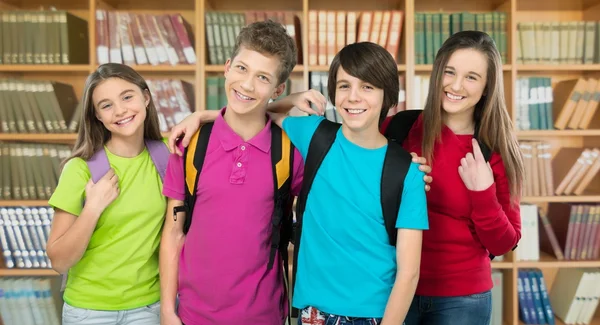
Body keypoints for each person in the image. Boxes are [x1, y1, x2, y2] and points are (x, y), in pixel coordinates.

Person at [168, 41, 430, 325]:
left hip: (376, 313)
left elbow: (409, 272)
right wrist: (205, 116)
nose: (354, 97)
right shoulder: (315, 135)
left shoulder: (407, 171)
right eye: (344, 86)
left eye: (367, 87)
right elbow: (254, 112)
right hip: (313, 312)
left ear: (388, 97)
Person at [159, 20, 324, 325]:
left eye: (263, 77)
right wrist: (168, 311)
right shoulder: (190, 144)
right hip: (193, 316)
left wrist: (403, 165)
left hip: (264, 315)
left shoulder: (290, 152)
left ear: (278, 88)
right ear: (227, 67)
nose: (247, 85)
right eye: (242, 69)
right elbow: (173, 231)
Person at [381, 30, 524, 325]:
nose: (456, 85)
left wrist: (482, 193)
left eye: (472, 77)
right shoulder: (399, 129)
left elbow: (504, 244)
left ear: (487, 87)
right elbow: (343, 163)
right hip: (393, 289)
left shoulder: (495, 149)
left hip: (462, 301)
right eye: (450, 72)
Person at [46, 63, 168, 325]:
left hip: (148, 308)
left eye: (127, 97)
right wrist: (93, 207)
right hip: (89, 311)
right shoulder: (80, 170)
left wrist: (198, 116)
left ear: (145, 98)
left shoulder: (167, 156)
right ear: (97, 116)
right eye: (106, 105)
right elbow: (59, 261)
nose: (120, 110)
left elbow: (233, 121)